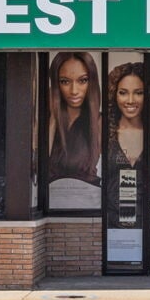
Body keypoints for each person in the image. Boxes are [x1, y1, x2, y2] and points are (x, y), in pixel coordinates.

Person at [44, 51, 102, 208]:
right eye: (64, 81)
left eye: (82, 80)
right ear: (56, 84)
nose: (74, 90)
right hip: (51, 202)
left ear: (92, 82)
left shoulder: (99, 122)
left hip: (89, 203)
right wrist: (53, 119)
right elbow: (37, 165)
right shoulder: (48, 121)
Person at [105, 61, 147, 226]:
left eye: (138, 93)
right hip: (110, 223)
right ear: (114, 94)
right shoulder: (105, 132)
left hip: (149, 223)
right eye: (123, 93)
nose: (130, 100)